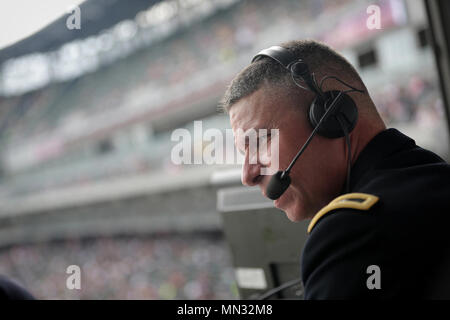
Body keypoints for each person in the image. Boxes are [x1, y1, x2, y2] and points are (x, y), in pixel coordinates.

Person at [220, 39, 450, 299]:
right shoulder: (431, 175)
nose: (247, 175)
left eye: (260, 140)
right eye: (243, 153)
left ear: (332, 116)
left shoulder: (352, 231)